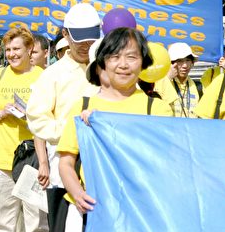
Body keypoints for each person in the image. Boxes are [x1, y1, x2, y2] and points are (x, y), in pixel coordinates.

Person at [57, 28, 174, 219]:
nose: (123, 64)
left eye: (132, 57)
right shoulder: (83, 107)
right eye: (115, 57)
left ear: (143, 62)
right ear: (103, 62)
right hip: (91, 212)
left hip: (142, 212)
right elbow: (66, 163)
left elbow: (166, 163)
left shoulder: (158, 110)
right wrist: (78, 194)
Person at [26, 3, 101, 232]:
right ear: (66, 35)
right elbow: (37, 117)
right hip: (64, 164)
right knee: (62, 230)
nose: (86, 46)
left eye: (91, 40)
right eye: (80, 40)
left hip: (100, 161)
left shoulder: (107, 68)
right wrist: (70, 133)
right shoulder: (52, 75)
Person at [0, 27, 49, 232]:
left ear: (29, 49)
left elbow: (53, 118)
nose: (12, 54)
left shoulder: (44, 77)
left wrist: (30, 116)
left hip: (33, 161)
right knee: (3, 225)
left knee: (37, 226)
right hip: (0, 161)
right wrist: (2, 113)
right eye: (8, 50)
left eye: (16, 49)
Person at [155, 42, 200, 118]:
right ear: (171, 63)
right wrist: (168, 78)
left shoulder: (196, 85)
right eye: (180, 61)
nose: (185, 65)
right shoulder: (159, 81)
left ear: (192, 63)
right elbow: (158, 105)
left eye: (188, 60)